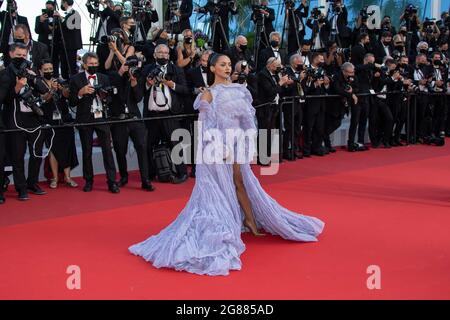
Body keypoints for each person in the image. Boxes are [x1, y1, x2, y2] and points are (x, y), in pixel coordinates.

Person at [128, 53, 324, 276]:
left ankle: (250, 220)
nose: (227, 68)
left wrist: (249, 143)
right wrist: (221, 147)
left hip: (237, 143)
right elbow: (205, 127)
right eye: (222, 65)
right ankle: (245, 221)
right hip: (217, 149)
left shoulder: (240, 90)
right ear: (212, 68)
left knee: (243, 182)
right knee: (231, 184)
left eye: (229, 64)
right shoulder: (208, 95)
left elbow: (249, 120)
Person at [37, 59, 78, 189]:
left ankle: (68, 177)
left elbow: (68, 96)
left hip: (64, 119)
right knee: (53, 150)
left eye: (51, 69)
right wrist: (51, 91)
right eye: (46, 70)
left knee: (67, 148)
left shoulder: (59, 80)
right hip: (49, 120)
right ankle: (54, 178)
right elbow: (43, 99)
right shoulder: (38, 83)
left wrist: (62, 89)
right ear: (40, 71)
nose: (49, 71)